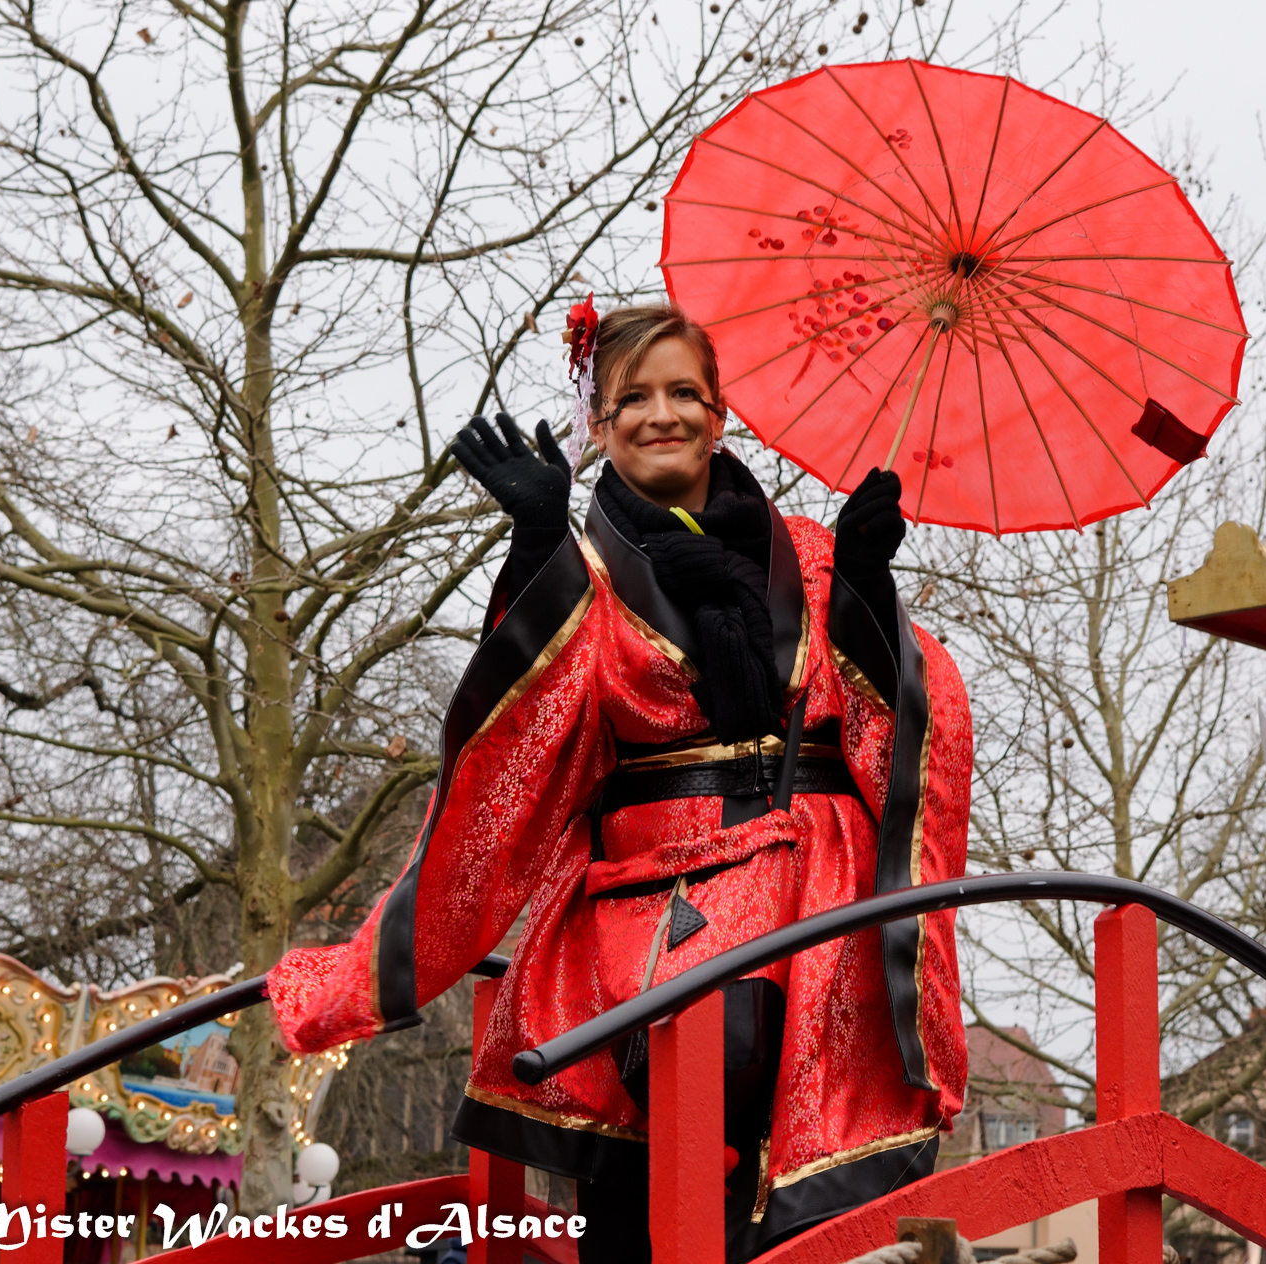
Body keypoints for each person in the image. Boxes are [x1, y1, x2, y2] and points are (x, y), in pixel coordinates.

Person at [262, 304, 971, 1260]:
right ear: (598, 425)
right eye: (632, 397)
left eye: (685, 392)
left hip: (813, 893)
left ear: (721, 416)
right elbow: (525, 735)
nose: (661, 413)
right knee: (680, 1066)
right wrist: (535, 548)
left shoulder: (809, 554)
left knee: (774, 1101)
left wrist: (865, 591)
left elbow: (907, 733)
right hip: (654, 892)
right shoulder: (588, 575)